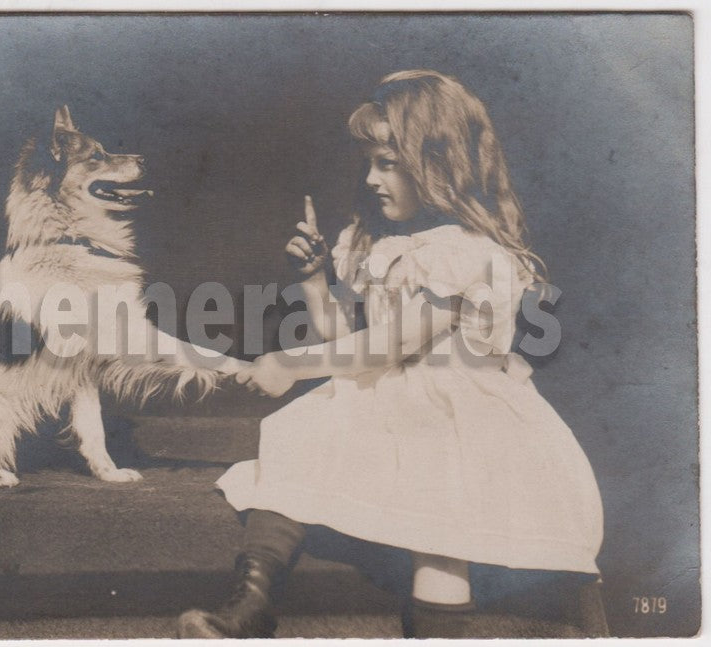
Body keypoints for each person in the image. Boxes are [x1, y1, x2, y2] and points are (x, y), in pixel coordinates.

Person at [176, 69, 604, 638]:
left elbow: (392, 343)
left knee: (441, 540)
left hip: (455, 417)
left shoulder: (468, 252)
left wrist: (289, 363)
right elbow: (346, 339)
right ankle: (248, 607)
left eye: (390, 163)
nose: (373, 179)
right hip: (385, 401)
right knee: (298, 441)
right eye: (370, 163)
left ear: (442, 166)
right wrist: (312, 278)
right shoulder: (376, 243)